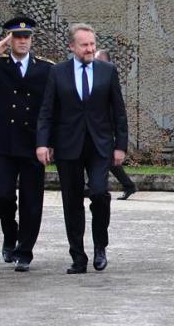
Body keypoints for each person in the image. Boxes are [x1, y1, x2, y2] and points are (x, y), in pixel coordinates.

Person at [36, 23, 128, 274]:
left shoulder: (107, 71)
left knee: (99, 193)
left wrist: (120, 146)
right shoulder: (58, 72)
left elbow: (118, 112)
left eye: (92, 44)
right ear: (71, 46)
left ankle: (100, 247)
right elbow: (47, 110)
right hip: (68, 146)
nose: (90, 48)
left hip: (100, 146)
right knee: (72, 201)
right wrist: (43, 143)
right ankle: (78, 256)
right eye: (84, 44)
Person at [0, 16, 53, 272]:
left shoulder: (46, 69)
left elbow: (52, 108)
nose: (22, 41)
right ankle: (9, 233)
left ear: (31, 40)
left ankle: (25, 251)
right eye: (17, 37)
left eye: (26, 37)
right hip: (3, 142)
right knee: (3, 196)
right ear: (9, 39)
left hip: (32, 143)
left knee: (31, 199)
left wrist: (48, 142)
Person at [94, 49, 137, 200]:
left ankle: (127, 185)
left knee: (106, 157)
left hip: (107, 123)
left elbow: (115, 106)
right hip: (100, 123)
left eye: (97, 59)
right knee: (105, 157)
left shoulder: (108, 75)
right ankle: (127, 185)